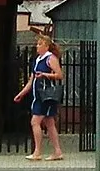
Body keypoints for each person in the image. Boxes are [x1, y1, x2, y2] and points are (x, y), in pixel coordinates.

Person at [14, 31, 65, 161]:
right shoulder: (37, 60)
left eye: (40, 44)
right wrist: (21, 93)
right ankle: (57, 151)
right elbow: (32, 80)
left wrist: (45, 75)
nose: (37, 46)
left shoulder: (50, 58)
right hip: (38, 96)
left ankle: (37, 151)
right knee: (49, 122)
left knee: (35, 121)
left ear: (46, 46)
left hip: (46, 95)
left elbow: (59, 75)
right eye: (37, 44)